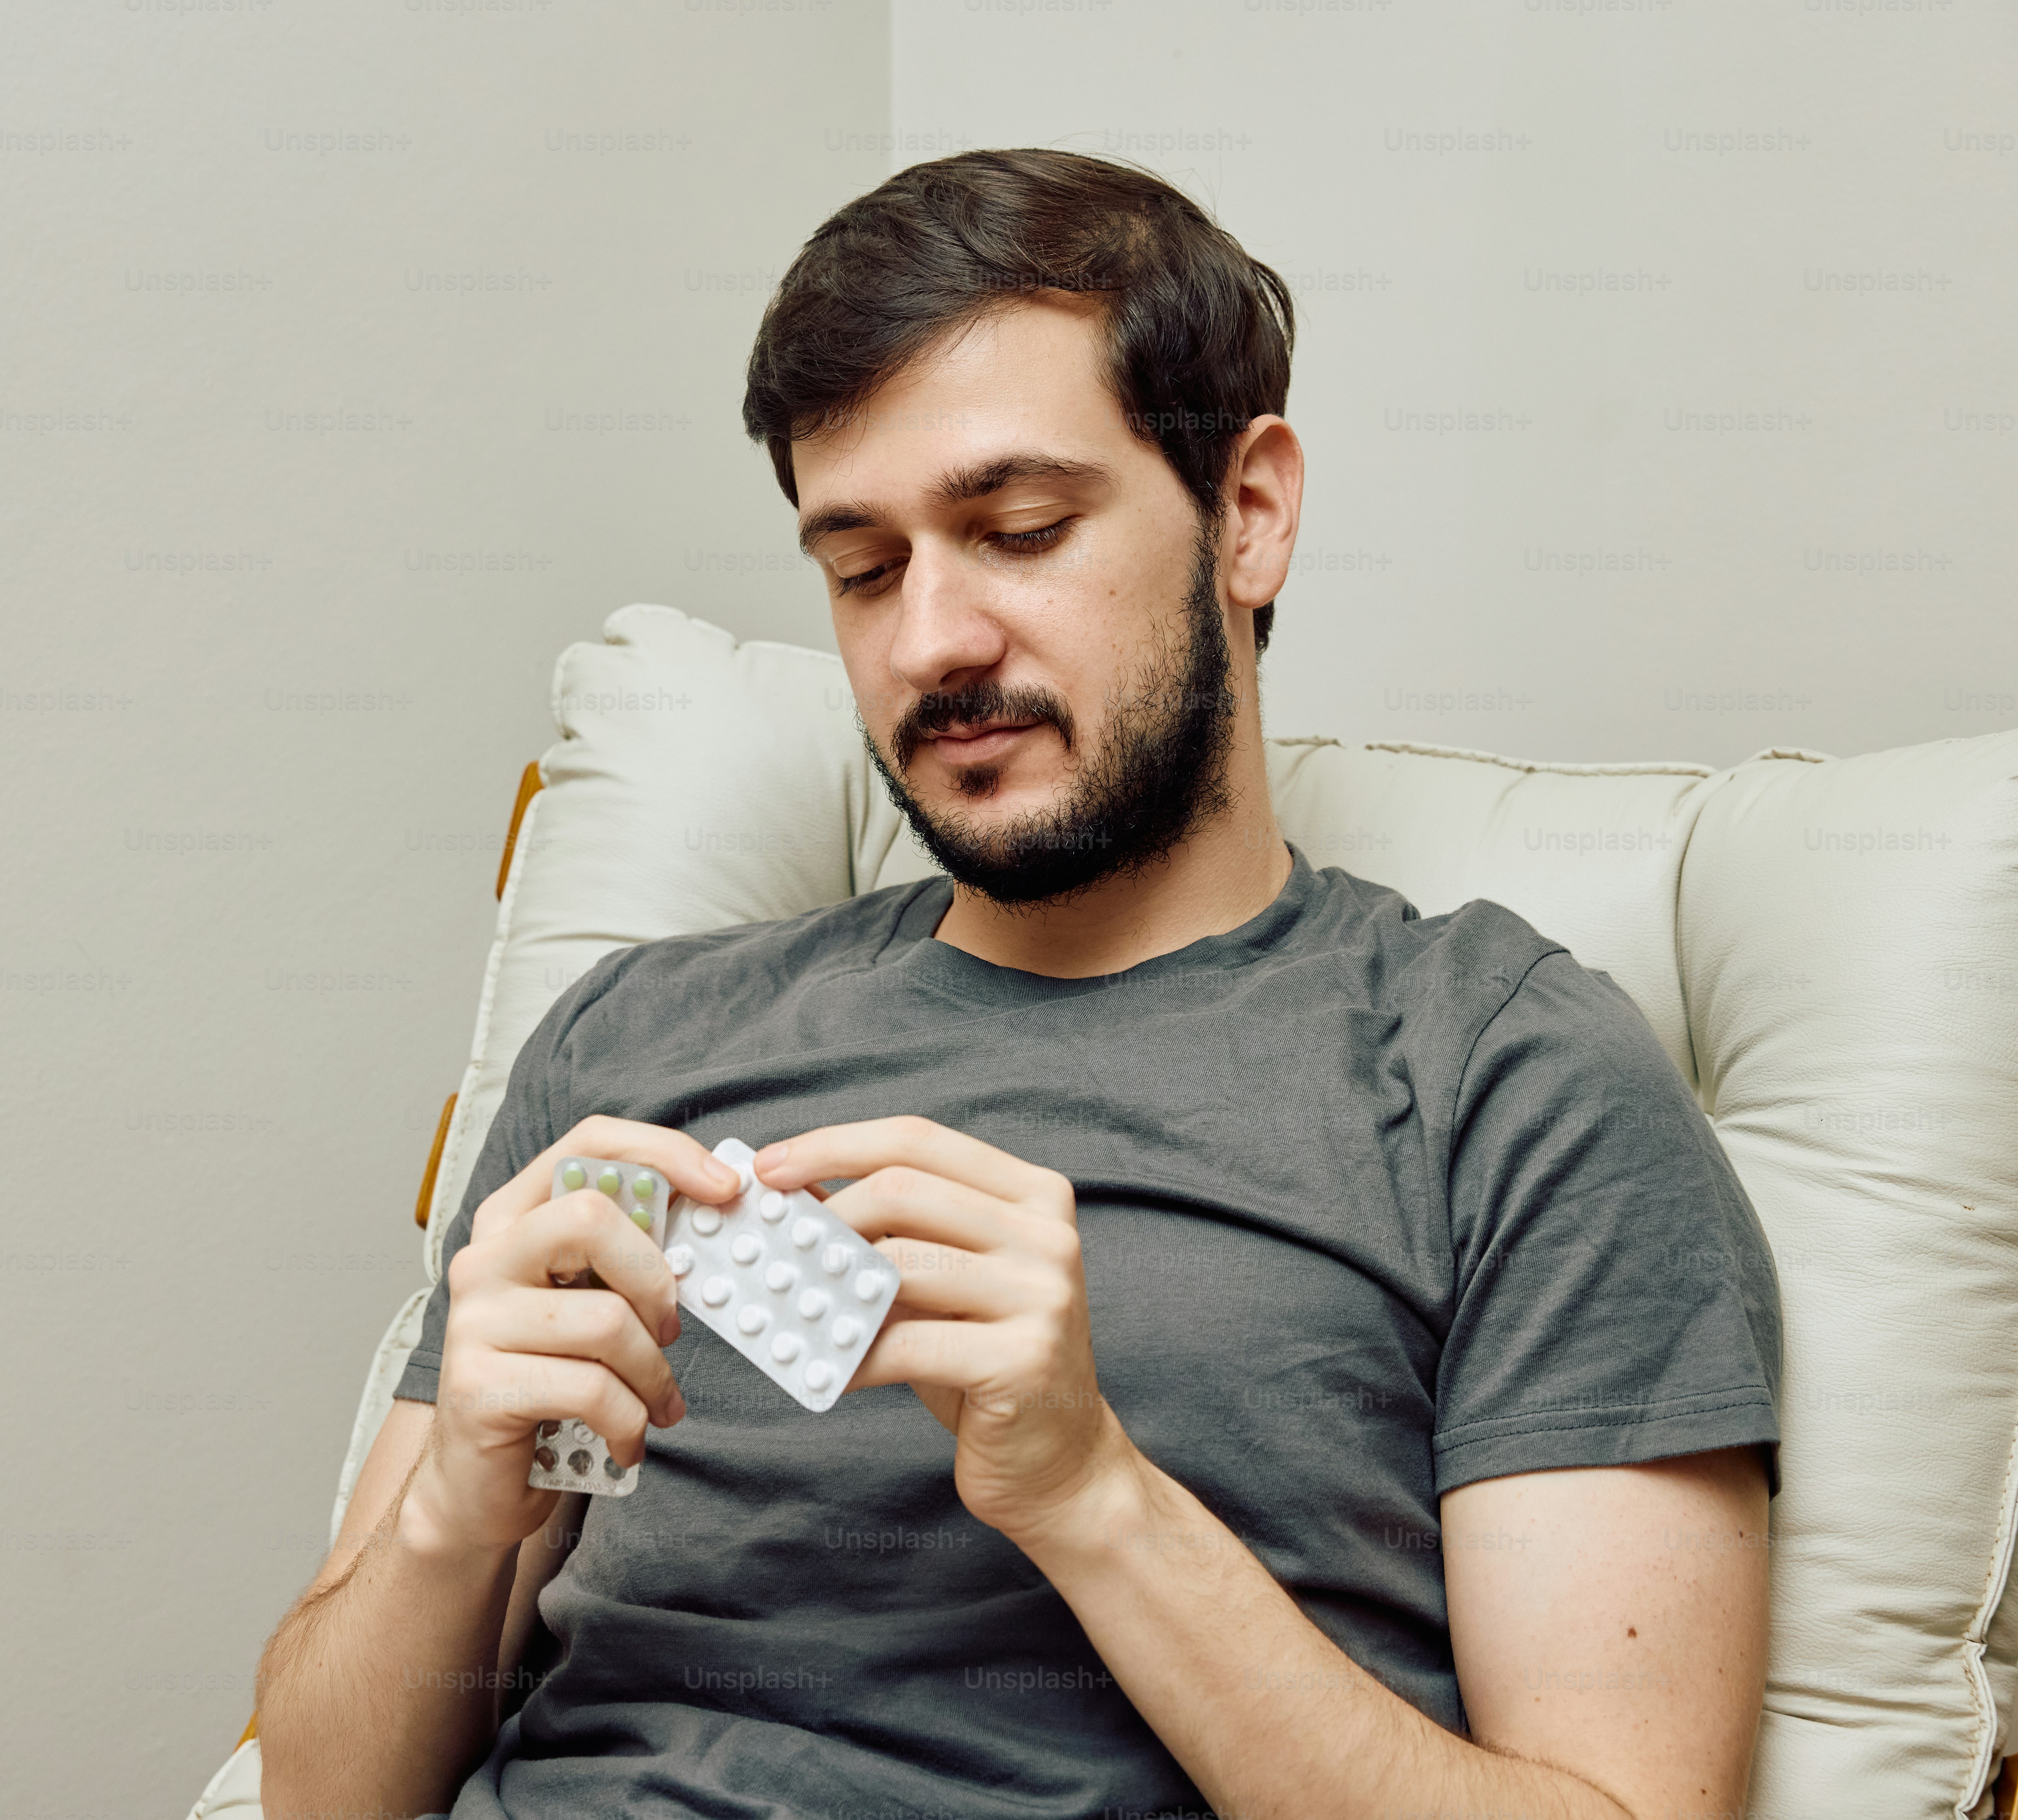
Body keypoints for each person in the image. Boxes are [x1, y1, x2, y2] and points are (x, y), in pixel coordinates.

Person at [252, 148, 1783, 1820]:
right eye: (860, 566)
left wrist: (1087, 1489)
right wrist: (455, 1513)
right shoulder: (641, 1039)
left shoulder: (1500, 1073)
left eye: (1019, 530)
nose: (928, 644)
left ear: (1248, 512)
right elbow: (320, 1793)